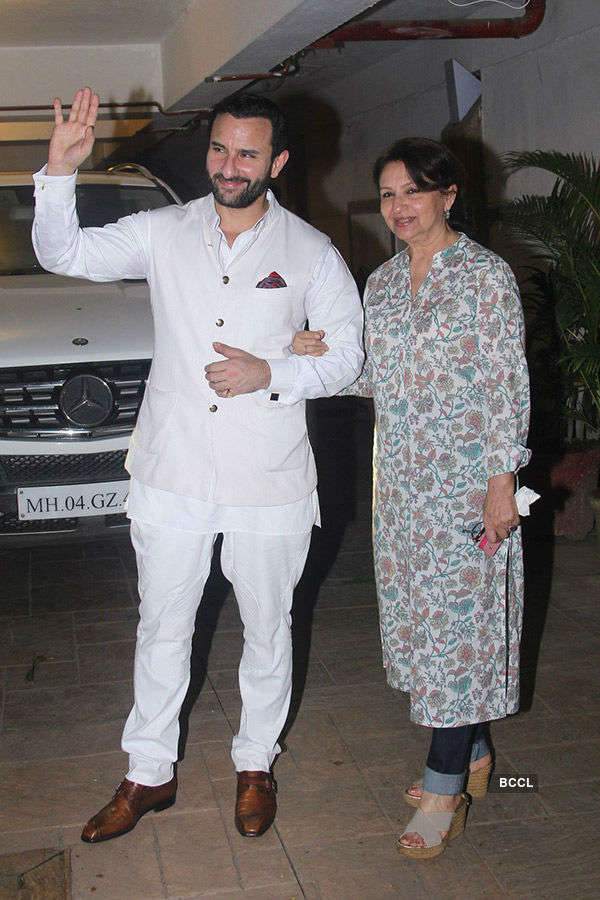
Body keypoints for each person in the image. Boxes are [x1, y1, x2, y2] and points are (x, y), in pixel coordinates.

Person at [32, 87, 364, 843]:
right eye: (219, 148)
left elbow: (348, 353)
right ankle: (147, 774)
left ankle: (255, 763)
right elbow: (66, 254)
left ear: (276, 161)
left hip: (269, 478)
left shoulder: (311, 252)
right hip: (171, 472)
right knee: (161, 627)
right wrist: (59, 172)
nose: (230, 165)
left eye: (248, 152)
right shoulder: (163, 231)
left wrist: (272, 373)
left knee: (269, 629)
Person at [293, 137, 530, 859]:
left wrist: (501, 485)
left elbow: (505, 385)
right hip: (400, 486)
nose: (399, 206)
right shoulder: (385, 283)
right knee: (430, 628)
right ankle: (476, 751)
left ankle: (443, 785)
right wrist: (323, 359)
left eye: (413, 192)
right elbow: (383, 380)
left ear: (448, 195)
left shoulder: (486, 277)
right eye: (388, 194)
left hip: (466, 486)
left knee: (459, 630)